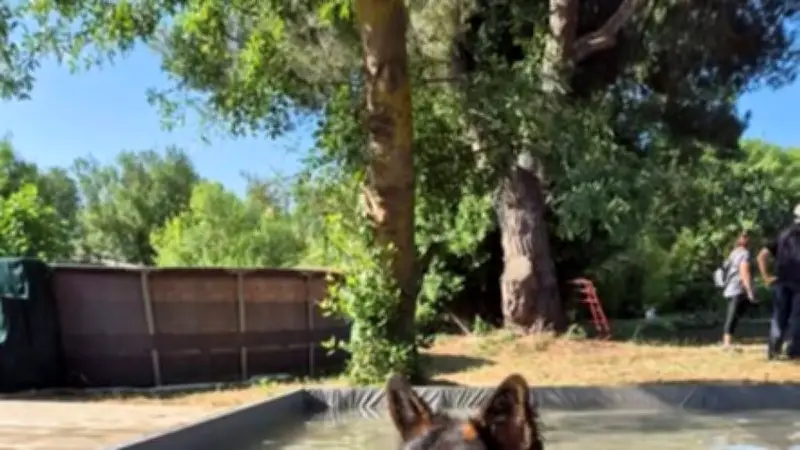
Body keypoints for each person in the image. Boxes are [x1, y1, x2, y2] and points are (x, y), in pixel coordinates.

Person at [757, 203, 800, 360]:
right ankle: (794, 351)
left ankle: (774, 350)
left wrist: (766, 277)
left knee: (778, 317)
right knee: (797, 319)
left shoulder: (782, 235)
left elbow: (761, 255)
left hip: (781, 282)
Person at [720, 231, 756, 349]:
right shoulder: (744, 254)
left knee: (734, 314)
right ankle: (727, 342)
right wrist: (750, 291)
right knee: (733, 315)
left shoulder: (733, 253)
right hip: (737, 288)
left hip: (729, 287)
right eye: (745, 236)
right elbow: (744, 272)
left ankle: (728, 339)